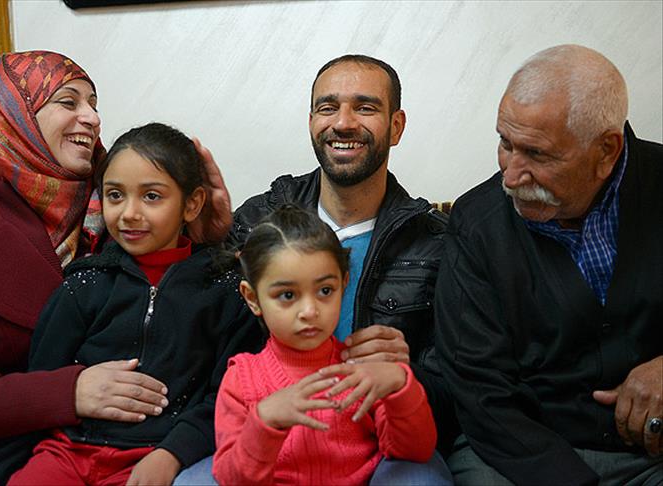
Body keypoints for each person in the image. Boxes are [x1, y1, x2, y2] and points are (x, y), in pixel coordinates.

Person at [0, 51, 231, 486]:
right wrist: (69, 392)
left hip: (151, 447)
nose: (93, 119)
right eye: (69, 101)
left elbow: (203, 339)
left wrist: (210, 238)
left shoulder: (120, 220)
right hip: (15, 455)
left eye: (94, 104)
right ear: (13, 117)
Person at [0, 123, 262, 485]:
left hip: (154, 458)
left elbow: (227, 397)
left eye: (151, 196)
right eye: (115, 195)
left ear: (192, 204)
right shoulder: (84, 283)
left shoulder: (225, 291)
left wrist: (171, 455)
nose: (128, 213)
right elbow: (41, 384)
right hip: (67, 452)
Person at [436, 44, 663, 486]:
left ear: (606, 151)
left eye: (537, 154)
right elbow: (478, 388)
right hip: (524, 455)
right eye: (505, 144)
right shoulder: (477, 223)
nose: (510, 176)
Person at [227, 54, 457, 454]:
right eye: (327, 108)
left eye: (365, 108)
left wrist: (407, 375)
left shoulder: (436, 242)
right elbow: (204, 344)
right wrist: (199, 234)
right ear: (311, 121)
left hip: (386, 443)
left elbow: (459, 392)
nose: (343, 123)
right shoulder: (256, 221)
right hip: (270, 440)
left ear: (396, 127)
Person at [213, 205, 446, 485]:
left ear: (343, 283)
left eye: (325, 290)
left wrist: (401, 385)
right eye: (287, 295)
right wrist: (264, 422)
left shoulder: (361, 372)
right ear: (252, 298)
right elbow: (230, 478)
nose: (310, 311)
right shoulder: (241, 380)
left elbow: (415, 452)